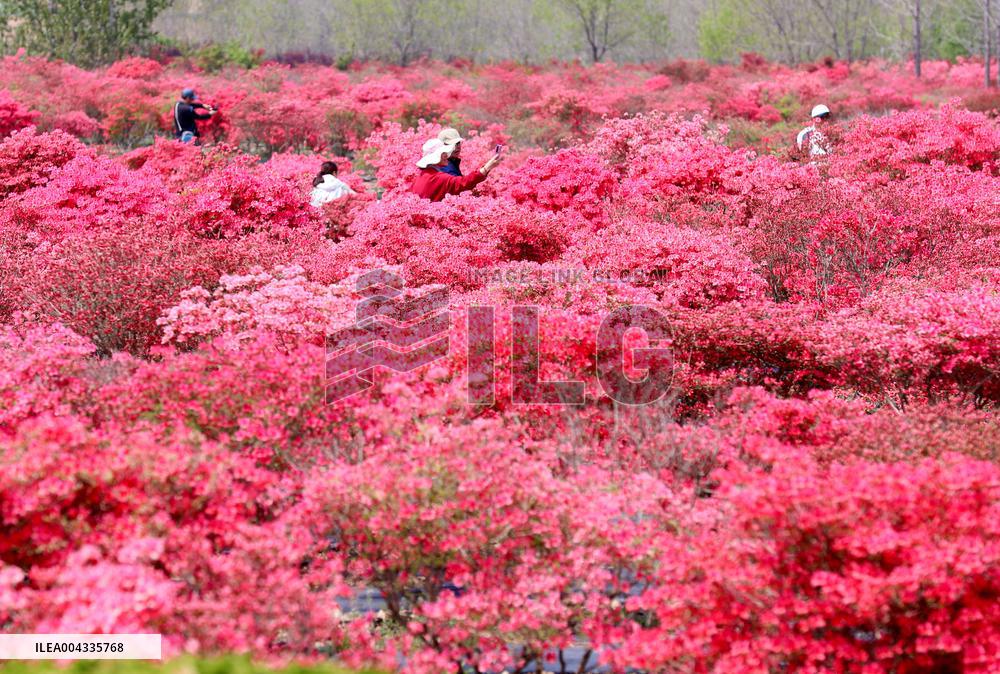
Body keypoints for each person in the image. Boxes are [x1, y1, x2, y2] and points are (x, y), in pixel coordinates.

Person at [410, 138, 501, 202]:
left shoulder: (422, 175)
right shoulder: (439, 178)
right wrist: (487, 167)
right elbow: (463, 183)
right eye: (443, 153)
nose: (447, 155)